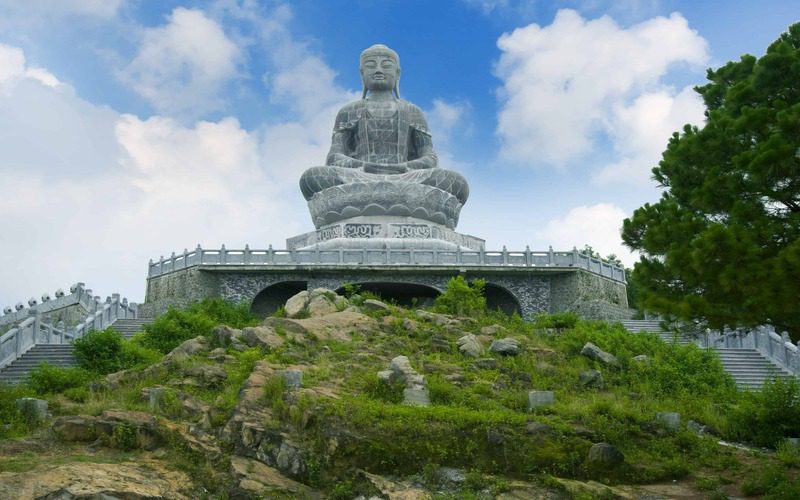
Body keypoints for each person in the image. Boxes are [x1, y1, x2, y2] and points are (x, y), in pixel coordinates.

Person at [299, 44, 469, 205]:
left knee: (456, 183)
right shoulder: (349, 111)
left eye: (386, 65)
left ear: (397, 73)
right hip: (359, 177)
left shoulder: (412, 111)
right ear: (362, 73)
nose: (379, 70)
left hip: (406, 177)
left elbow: (430, 157)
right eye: (371, 65)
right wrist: (362, 166)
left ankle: (370, 199)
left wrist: (405, 167)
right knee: (312, 177)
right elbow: (334, 156)